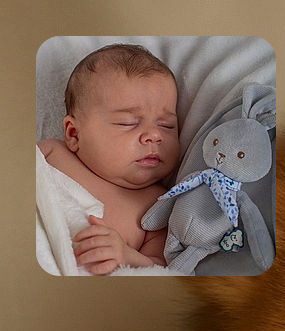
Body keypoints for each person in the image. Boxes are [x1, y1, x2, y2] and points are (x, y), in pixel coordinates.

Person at [37, 43, 180, 274]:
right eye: (128, 123)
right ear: (74, 134)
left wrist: (126, 255)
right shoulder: (50, 153)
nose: (155, 135)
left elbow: (162, 268)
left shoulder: (160, 205)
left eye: (167, 125)